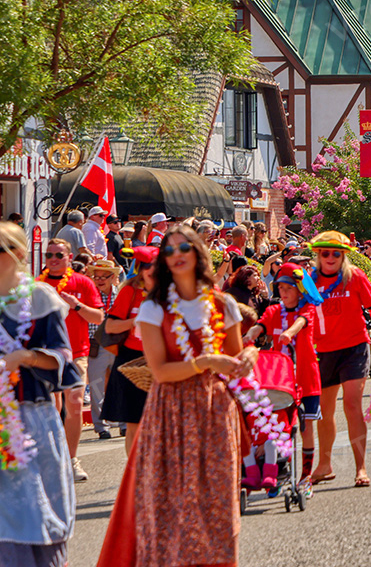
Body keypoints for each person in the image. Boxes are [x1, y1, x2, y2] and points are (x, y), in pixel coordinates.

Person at [96, 226, 254, 567]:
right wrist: (207, 361)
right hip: (170, 410)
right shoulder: (154, 308)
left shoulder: (223, 303)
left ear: (198, 252)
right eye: (169, 251)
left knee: (217, 504)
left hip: (214, 410)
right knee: (168, 505)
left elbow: (235, 365)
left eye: (185, 247)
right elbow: (163, 371)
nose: (177, 254)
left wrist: (248, 359)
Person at [0, 222, 80, 567]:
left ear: (17, 254)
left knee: (36, 512)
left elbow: (64, 356)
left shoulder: (39, 297)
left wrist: (25, 357)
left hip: (30, 420)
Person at [308, 231, 371, 488]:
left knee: (352, 405)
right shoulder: (309, 281)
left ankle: (360, 468)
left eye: (336, 253)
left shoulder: (355, 277)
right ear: (318, 255)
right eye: (325, 253)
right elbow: (301, 314)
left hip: (354, 347)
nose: (330, 257)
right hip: (323, 351)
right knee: (324, 409)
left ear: (344, 256)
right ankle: (325, 464)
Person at [241, 262, 321, 487]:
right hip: (280, 381)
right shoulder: (275, 310)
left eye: (288, 289)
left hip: (305, 377)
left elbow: (301, 323)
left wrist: (289, 332)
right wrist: (252, 332)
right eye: (280, 289)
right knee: (275, 424)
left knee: (306, 427)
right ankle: (273, 468)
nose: (283, 293)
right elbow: (262, 323)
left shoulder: (307, 309)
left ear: (299, 289)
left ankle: (306, 476)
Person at [38, 237, 104, 482]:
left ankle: (72, 458)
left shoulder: (82, 283)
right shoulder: (37, 285)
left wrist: (77, 306)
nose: (53, 259)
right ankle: (54, 456)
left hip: (76, 353)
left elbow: (98, 317)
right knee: (51, 408)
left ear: (69, 258)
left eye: (59, 255)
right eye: (49, 255)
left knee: (75, 403)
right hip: (44, 355)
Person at [101, 247, 157, 456]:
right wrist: (137, 320)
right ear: (142, 269)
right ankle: (134, 473)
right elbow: (110, 328)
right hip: (132, 361)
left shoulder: (170, 292)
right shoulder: (129, 291)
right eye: (150, 267)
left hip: (162, 361)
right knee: (134, 421)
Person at [86, 259, 124, 440]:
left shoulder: (121, 294)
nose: (100, 280)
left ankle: (124, 423)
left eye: (104, 276)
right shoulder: (88, 295)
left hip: (118, 344)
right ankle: (101, 426)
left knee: (121, 384)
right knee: (96, 387)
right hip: (96, 345)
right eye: (97, 276)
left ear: (113, 277)